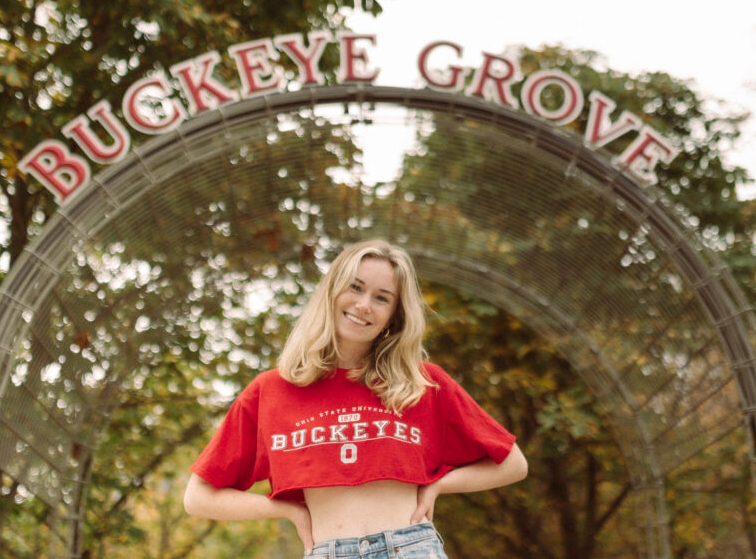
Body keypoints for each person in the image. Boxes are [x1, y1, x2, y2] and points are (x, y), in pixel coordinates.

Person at [184, 239, 528, 558]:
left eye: (382, 298)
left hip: (410, 548)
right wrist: (286, 509)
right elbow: (198, 498)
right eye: (356, 287)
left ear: (394, 315)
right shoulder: (271, 390)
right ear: (332, 291)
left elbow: (512, 463)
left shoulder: (420, 382)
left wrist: (436, 486)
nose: (364, 305)